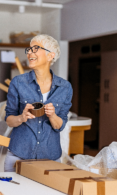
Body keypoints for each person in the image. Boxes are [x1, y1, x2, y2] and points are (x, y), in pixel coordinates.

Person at [4, 34, 73, 172]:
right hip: (18, 156)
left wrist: (52, 115)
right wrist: (21, 118)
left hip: (50, 158)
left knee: (47, 194)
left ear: (50, 56)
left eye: (35, 49)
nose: (29, 52)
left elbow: (60, 125)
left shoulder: (65, 87)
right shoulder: (18, 82)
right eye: (29, 49)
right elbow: (9, 120)